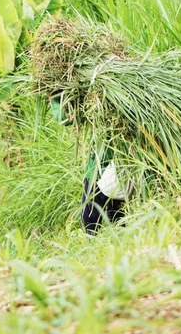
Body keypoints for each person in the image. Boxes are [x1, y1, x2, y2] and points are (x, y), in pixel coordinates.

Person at [51, 92, 128, 234]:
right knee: (112, 210)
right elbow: (64, 116)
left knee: (92, 212)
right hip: (116, 153)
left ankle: (95, 242)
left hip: (108, 156)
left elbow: (63, 117)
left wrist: (55, 95)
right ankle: (119, 240)